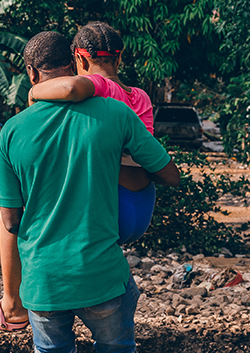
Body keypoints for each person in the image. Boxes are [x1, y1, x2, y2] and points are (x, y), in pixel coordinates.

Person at [0, 32, 180, 353]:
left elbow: (11, 220)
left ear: (32, 73)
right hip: (102, 273)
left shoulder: (12, 132)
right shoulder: (116, 114)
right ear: (75, 63)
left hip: (44, 282)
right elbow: (169, 174)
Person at [28, 21, 155, 245]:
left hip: (115, 203)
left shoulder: (98, 85)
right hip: (143, 203)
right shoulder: (141, 96)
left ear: (80, 58)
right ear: (119, 58)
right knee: (110, 259)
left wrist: (33, 93)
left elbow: (71, 88)